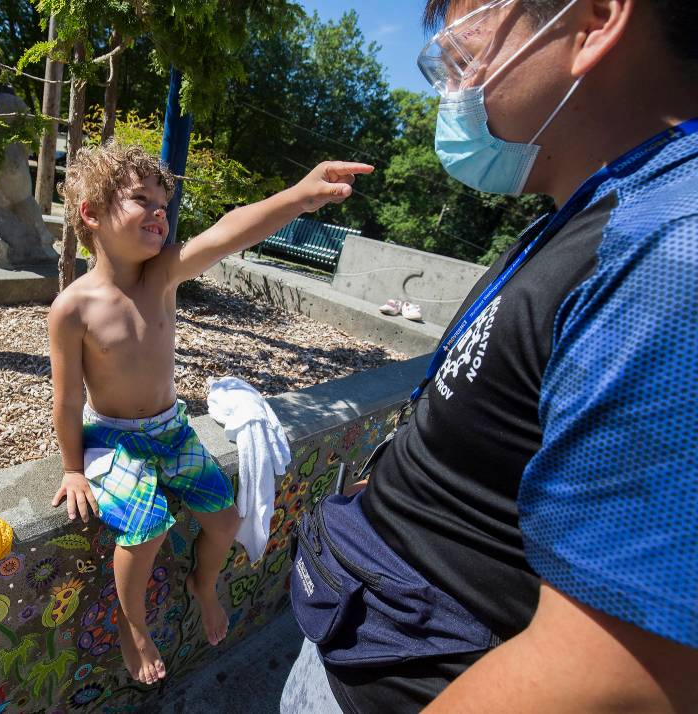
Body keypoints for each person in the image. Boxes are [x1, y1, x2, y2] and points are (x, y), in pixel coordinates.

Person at [285, 1, 698, 711]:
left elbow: (621, 673)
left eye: (463, 43)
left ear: (595, 19)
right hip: (359, 636)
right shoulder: (596, 213)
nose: (451, 83)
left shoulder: (671, 253)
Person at [49, 141, 371, 686]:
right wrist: (73, 468)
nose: (159, 213)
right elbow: (66, 399)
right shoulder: (73, 308)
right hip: (113, 437)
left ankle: (203, 583)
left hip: (170, 429)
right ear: (92, 214)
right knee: (146, 528)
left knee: (225, 520)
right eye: (141, 200)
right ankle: (134, 625)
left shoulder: (163, 276)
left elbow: (228, 231)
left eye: (163, 204)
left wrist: (297, 196)